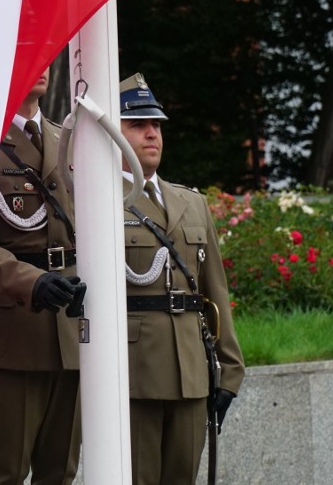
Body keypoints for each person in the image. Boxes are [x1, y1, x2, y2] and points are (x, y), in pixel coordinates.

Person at [119, 72, 244, 485]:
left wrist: (229, 370)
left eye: (156, 125)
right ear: (114, 135)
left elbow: (214, 292)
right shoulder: (94, 200)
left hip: (191, 371)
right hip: (134, 373)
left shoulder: (192, 202)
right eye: (137, 125)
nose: (152, 133)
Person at [0, 66, 86, 484]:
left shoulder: (69, 142)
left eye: (46, 56)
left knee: (60, 473)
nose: (42, 66)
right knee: (7, 474)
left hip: (71, 332)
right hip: (11, 332)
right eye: (25, 54)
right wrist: (31, 283)